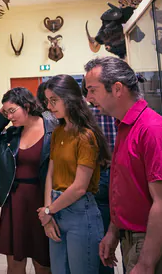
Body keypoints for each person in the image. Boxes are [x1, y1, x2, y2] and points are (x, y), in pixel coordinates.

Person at [84, 57, 162, 274]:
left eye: (92, 90)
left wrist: (145, 264)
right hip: (135, 241)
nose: (88, 98)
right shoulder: (127, 127)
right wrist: (113, 232)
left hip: (158, 247)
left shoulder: (153, 131)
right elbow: (127, 190)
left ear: (117, 89)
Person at [37, 74, 112, 274]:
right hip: (55, 209)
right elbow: (50, 174)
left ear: (69, 98)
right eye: (47, 101)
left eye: (54, 100)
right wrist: (47, 211)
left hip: (80, 213)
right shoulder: (58, 132)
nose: (49, 106)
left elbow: (79, 187)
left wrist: (48, 211)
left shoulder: (85, 136)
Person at [0, 87, 57, 274]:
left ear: (27, 105)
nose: (9, 116)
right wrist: (0, 116)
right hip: (14, 200)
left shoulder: (51, 128)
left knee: (43, 262)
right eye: (6, 112)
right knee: (15, 263)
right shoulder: (12, 133)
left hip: (41, 199)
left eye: (12, 111)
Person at [83, 79, 118, 274]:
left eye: (92, 91)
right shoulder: (116, 115)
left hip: (100, 174)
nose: (89, 97)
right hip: (117, 172)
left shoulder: (89, 116)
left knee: (100, 235)